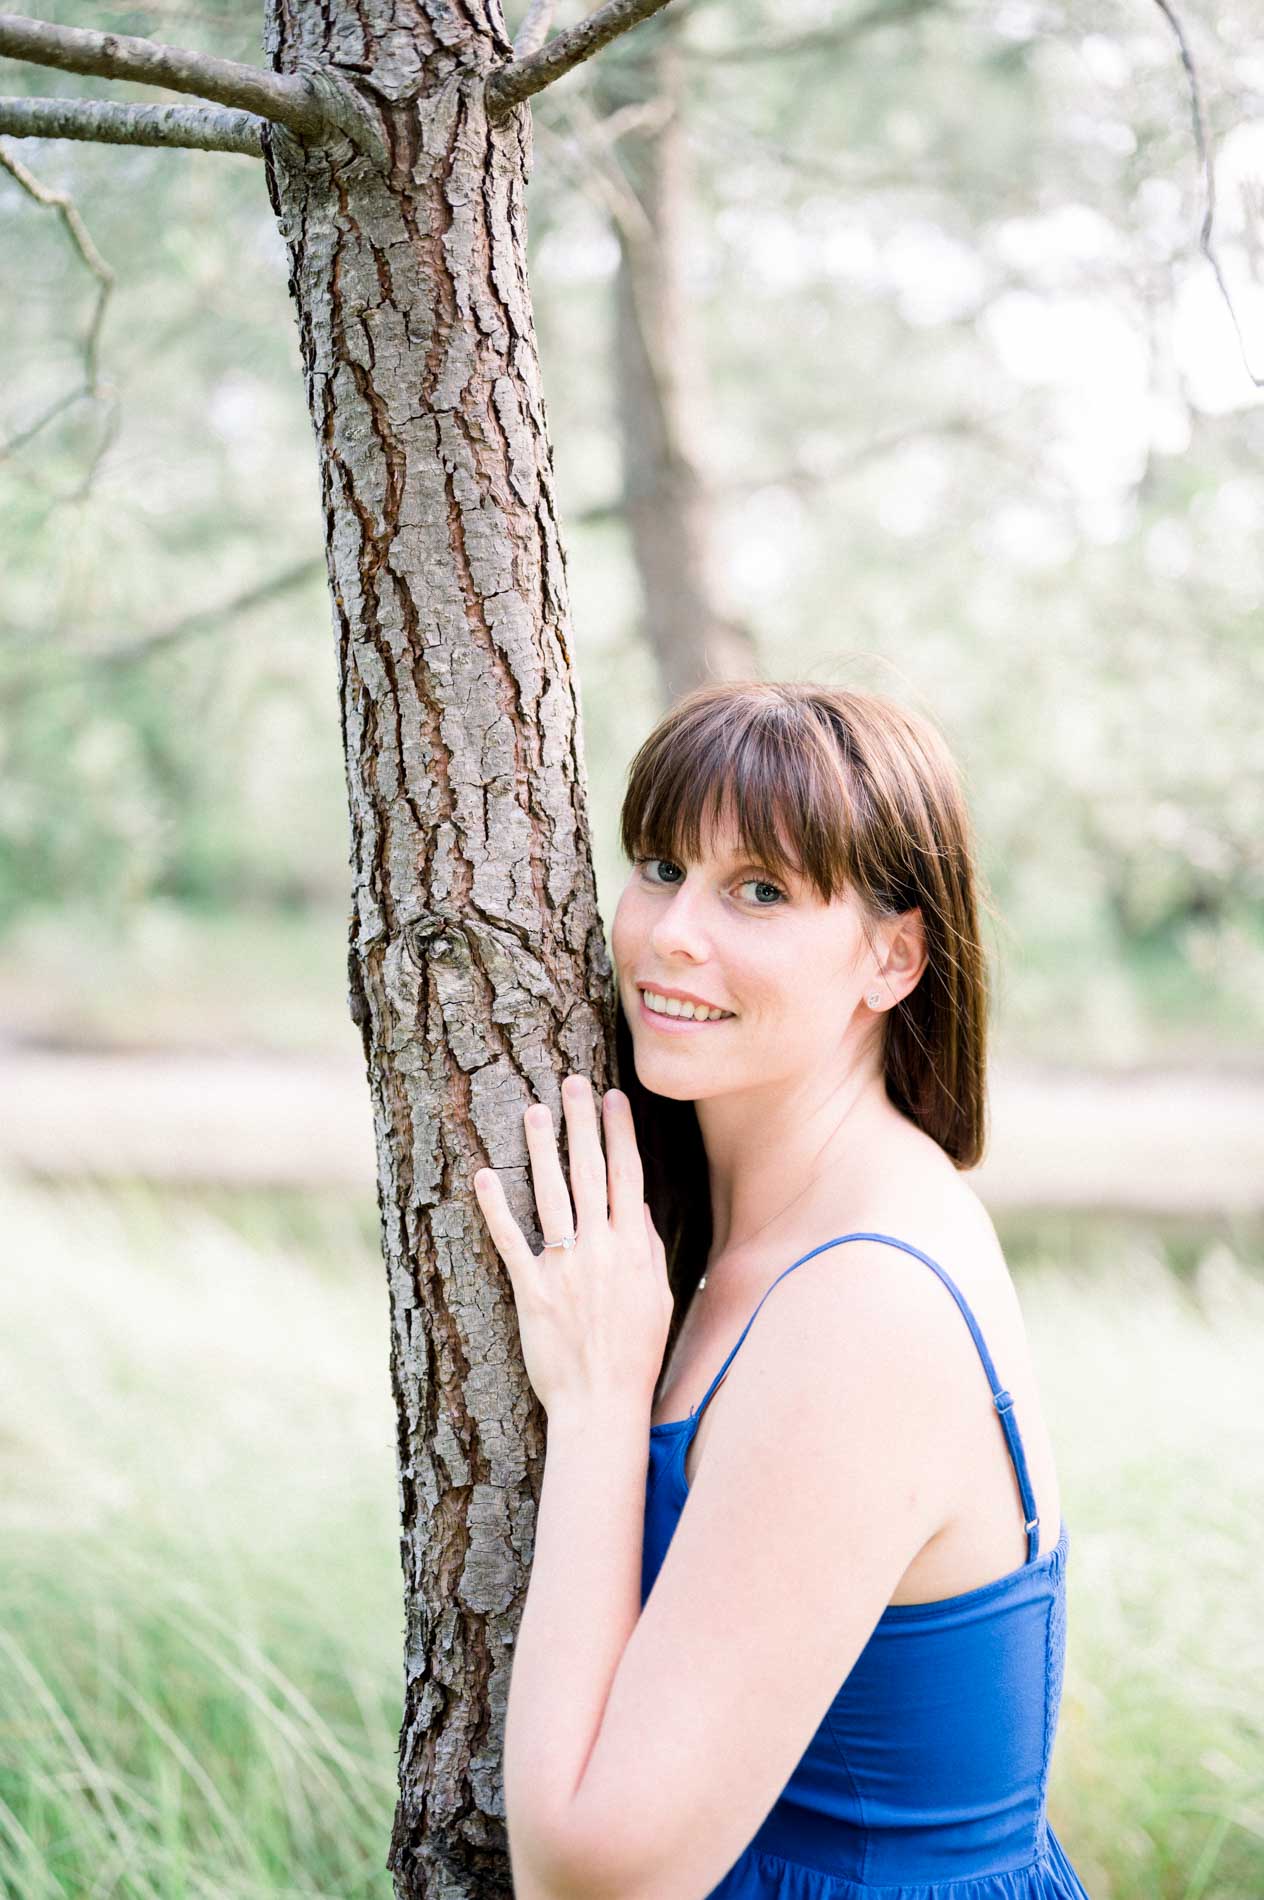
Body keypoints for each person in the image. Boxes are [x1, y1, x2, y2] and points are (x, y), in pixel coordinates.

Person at [473, 680, 1091, 1900]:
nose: (670, 934)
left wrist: (599, 1407)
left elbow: (593, 1877)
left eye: (757, 890)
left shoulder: (864, 1307)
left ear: (892, 956)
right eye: (658, 866)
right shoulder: (762, 1232)